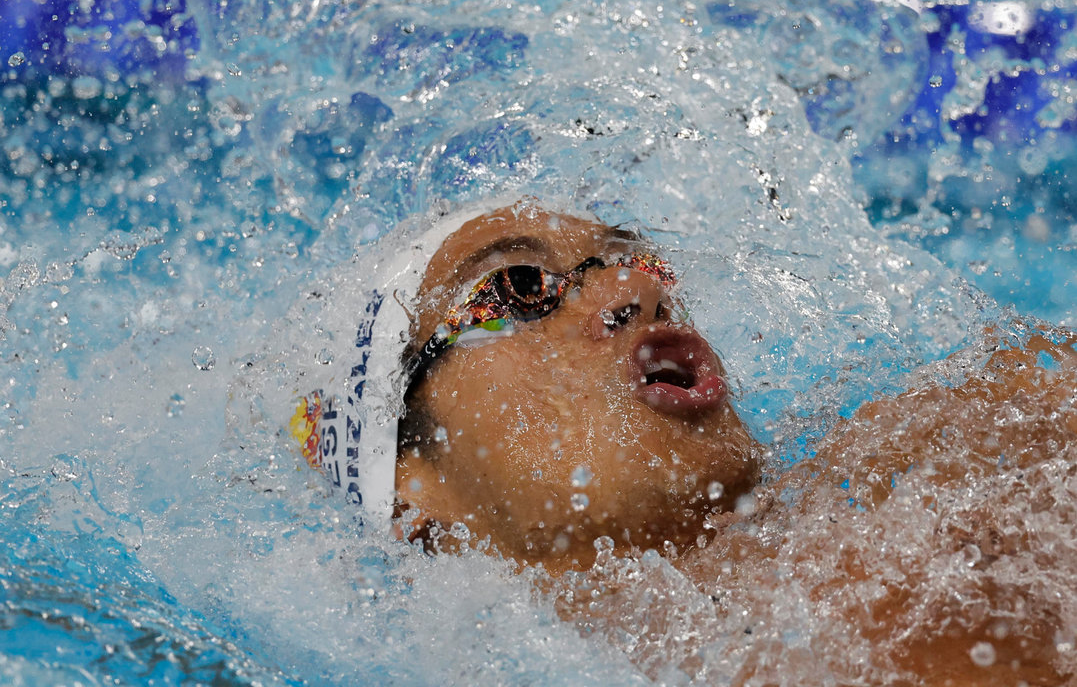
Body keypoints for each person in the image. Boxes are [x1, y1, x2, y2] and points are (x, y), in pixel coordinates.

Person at [290, 196, 1077, 685]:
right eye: (519, 288)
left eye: (630, 258)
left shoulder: (952, 452)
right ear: (409, 488)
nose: (638, 286)